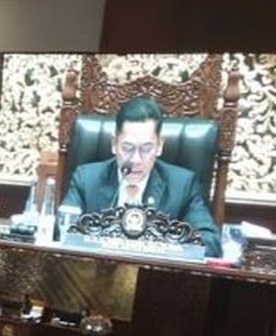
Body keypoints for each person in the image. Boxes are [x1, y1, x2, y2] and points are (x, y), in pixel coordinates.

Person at [61, 96, 220, 257]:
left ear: (159, 146)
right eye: (128, 148)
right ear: (114, 144)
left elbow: (211, 244)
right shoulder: (87, 179)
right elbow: (62, 231)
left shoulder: (183, 185)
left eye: (146, 149)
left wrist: (159, 247)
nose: (136, 160)